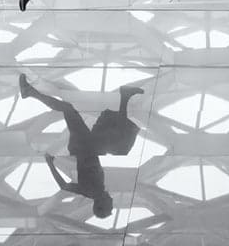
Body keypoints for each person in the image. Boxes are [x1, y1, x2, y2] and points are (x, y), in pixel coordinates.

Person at [18, 73, 145, 218]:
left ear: (102, 204)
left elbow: (64, 186)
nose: (111, 201)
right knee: (122, 146)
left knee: (69, 109)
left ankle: (30, 92)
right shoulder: (92, 192)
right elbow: (64, 186)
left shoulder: (92, 190)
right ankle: (125, 97)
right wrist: (50, 164)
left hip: (84, 145)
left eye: (110, 205)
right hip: (88, 146)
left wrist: (50, 164)